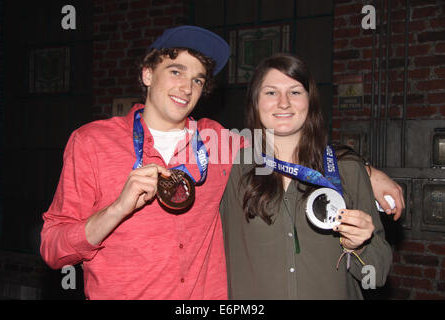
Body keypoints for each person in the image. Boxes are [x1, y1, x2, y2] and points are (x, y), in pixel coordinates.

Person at [40, 25, 402, 300]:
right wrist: (116, 210)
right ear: (147, 74)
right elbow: (53, 248)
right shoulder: (90, 142)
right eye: (176, 71)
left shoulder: (220, 144)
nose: (187, 87)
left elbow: (286, 145)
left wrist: (367, 172)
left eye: (198, 78)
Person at [220, 53, 393, 299]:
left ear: (310, 100)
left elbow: (377, 274)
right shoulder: (231, 169)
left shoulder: (346, 169)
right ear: (254, 102)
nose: (283, 103)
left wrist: (359, 247)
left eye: (295, 92)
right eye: (270, 92)